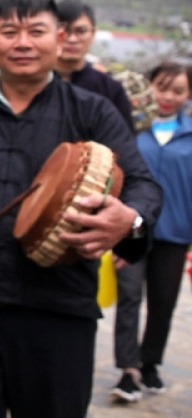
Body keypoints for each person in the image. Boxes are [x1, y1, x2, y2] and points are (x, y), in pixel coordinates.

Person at [0, 0, 161, 418]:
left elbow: (143, 185)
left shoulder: (93, 111)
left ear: (59, 39)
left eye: (37, 31)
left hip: (60, 311)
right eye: (9, 31)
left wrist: (131, 219)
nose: (23, 43)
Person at [111, 61, 192, 403]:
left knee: (163, 303)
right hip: (131, 231)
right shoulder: (132, 131)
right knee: (129, 298)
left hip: (175, 234)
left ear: (188, 95)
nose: (168, 96)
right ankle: (128, 369)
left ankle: (150, 362)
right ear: (149, 88)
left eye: (178, 90)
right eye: (162, 87)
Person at [55, 0, 134, 132]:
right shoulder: (32, 83)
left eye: (80, 31)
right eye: (65, 30)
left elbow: (124, 143)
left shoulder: (110, 89)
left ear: (93, 34)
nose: (72, 39)